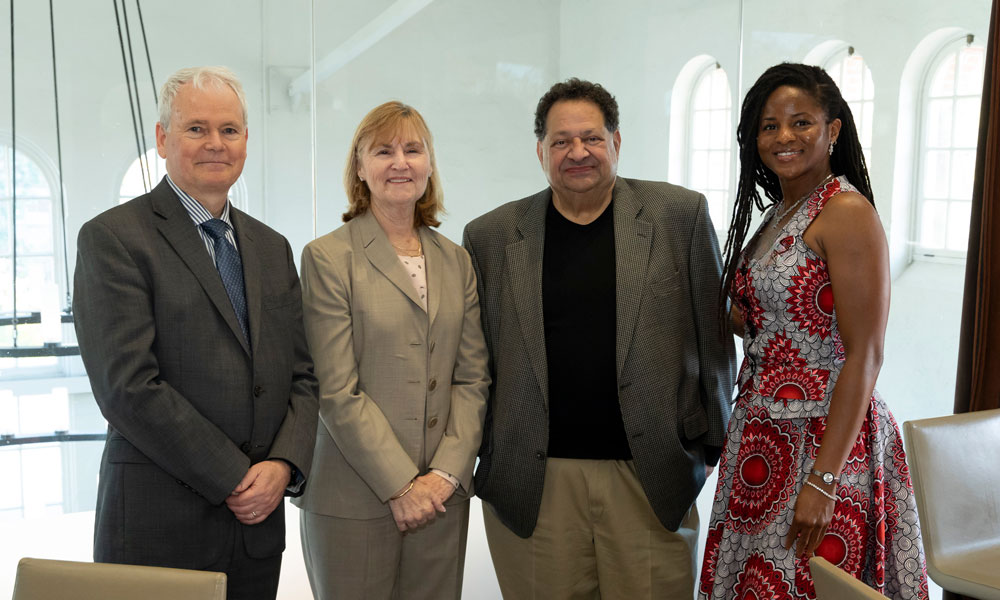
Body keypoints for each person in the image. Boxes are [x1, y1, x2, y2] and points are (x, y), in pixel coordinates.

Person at [463, 78, 736, 598]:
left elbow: (715, 335)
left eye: (591, 137)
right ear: (540, 151)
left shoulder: (678, 216)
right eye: (561, 141)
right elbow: (477, 360)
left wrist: (709, 445)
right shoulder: (491, 236)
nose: (577, 152)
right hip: (534, 484)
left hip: (650, 475)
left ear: (616, 141)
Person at [73, 66, 319, 600]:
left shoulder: (271, 248)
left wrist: (284, 464)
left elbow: (303, 374)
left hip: (256, 532)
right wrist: (235, 474)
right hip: (158, 529)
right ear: (162, 138)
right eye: (196, 129)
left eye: (229, 130)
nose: (215, 144)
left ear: (246, 142)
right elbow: (128, 387)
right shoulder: (113, 239)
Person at [699, 63, 928, 600]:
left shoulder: (845, 211)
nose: (784, 137)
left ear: (834, 130)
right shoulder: (781, 212)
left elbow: (865, 354)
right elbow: (784, 316)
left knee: (808, 584)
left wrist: (823, 480)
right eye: (768, 126)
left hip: (824, 441)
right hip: (763, 433)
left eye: (801, 122)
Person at [292, 101, 489, 600]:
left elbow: (472, 377)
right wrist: (404, 486)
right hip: (352, 500)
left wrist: (443, 476)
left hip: (442, 501)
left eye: (412, 149)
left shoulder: (456, 260)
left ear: (428, 165)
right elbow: (338, 391)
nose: (400, 162)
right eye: (383, 151)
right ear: (359, 167)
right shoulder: (328, 258)